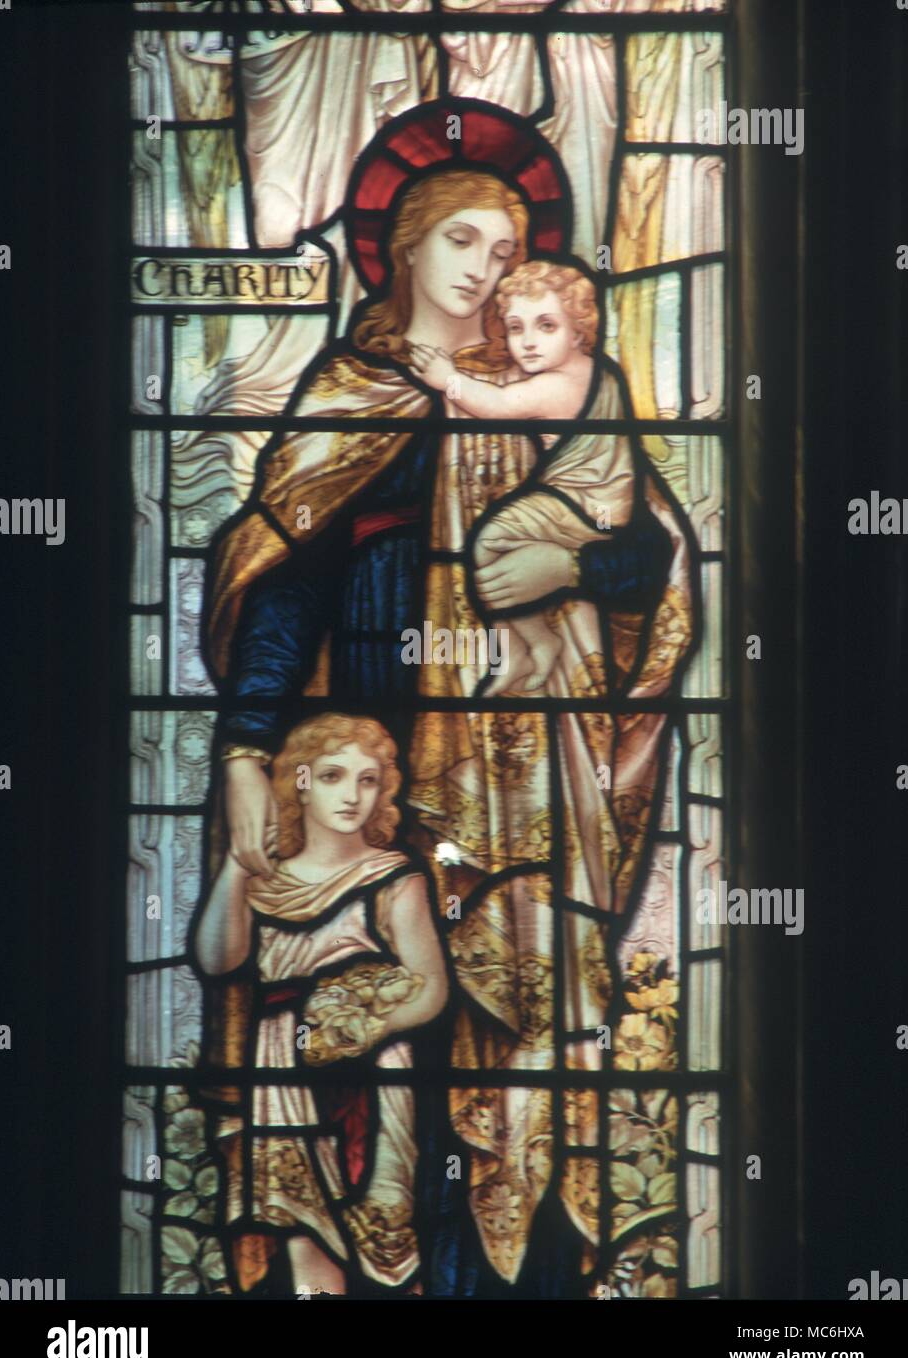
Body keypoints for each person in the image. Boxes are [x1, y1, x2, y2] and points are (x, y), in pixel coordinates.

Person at [202, 148, 695, 1287]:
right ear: (404, 251)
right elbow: (281, 582)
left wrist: (586, 558)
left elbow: (644, 560)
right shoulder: (353, 389)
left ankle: (503, 1277)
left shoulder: (550, 383)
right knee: (379, 1011)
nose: (486, 269)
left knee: (513, 1018)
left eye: (508, 249)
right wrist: (244, 746)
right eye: (461, 241)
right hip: (369, 749)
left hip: (527, 764)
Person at [193, 713, 447, 1295]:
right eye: (334, 776)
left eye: (368, 780)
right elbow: (216, 959)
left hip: (372, 1078)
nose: (353, 795)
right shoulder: (268, 878)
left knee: (378, 1238)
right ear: (301, 782)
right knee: (301, 1235)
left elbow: (431, 988)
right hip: (280, 1068)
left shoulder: (393, 877)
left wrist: (361, 1030)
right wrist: (238, 862)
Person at [411, 260, 635, 695]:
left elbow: (496, 404)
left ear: (578, 332)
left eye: (546, 326)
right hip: (605, 506)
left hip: (581, 504)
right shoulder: (598, 373)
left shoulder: (556, 385)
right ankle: (524, 643)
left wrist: (447, 380)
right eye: (516, 328)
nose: (527, 343)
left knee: (488, 542)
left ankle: (533, 642)